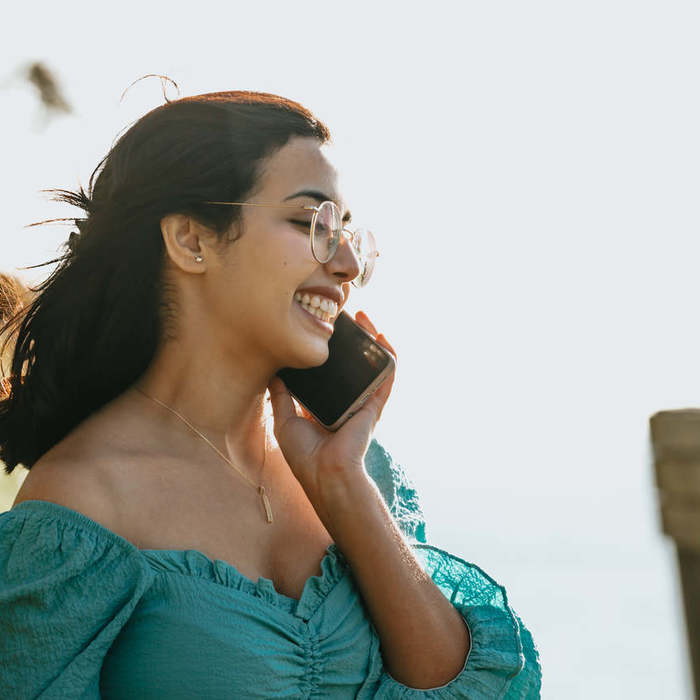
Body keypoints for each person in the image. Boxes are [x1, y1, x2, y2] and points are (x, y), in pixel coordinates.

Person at [0, 89, 541, 698]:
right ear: (191, 241)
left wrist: (343, 483)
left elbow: (468, 688)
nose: (345, 264)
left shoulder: (356, 470)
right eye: (310, 222)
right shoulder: (79, 509)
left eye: (349, 234)